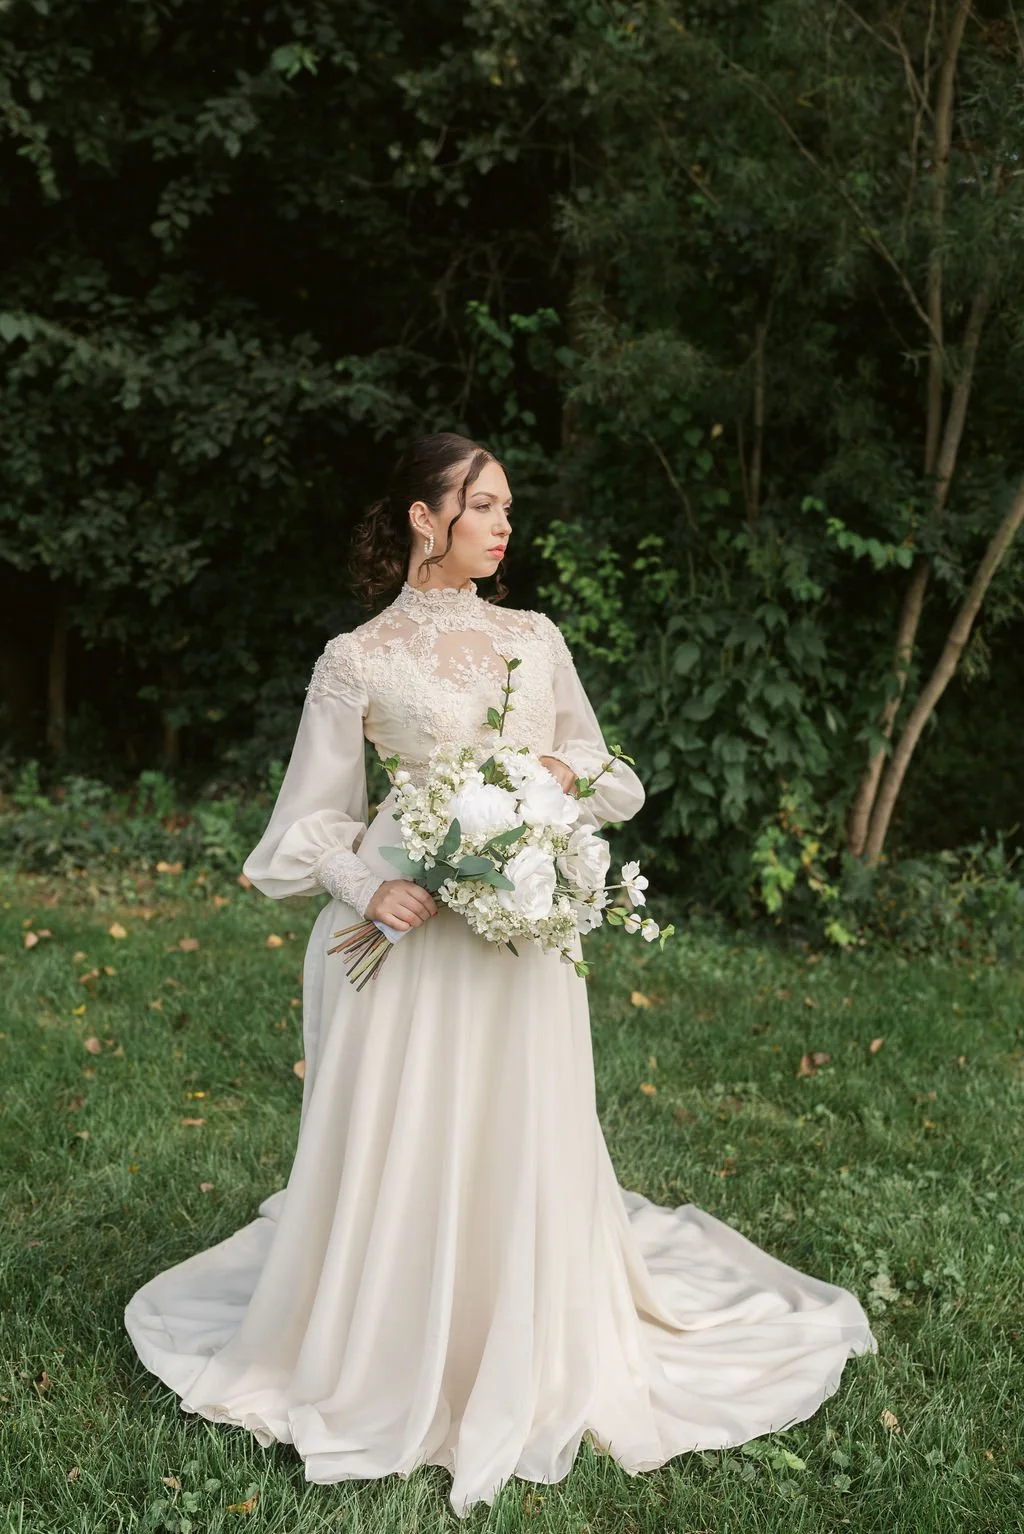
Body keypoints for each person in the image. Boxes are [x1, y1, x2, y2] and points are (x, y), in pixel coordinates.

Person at [123, 431, 878, 1516]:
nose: (503, 524)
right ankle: (390, 1338)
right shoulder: (357, 657)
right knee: (412, 1125)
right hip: (405, 930)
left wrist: (552, 777)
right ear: (424, 518)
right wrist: (363, 887)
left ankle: (518, 1327)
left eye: (507, 507)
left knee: (512, 1123)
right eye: (482, 505)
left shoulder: (534, 635)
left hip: (520, 928)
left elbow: (607, 768)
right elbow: (309, 820)